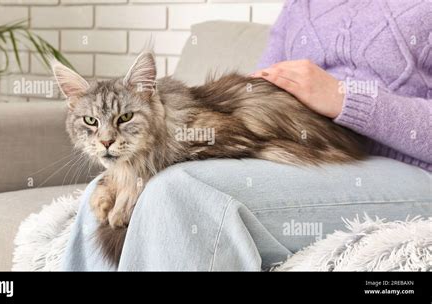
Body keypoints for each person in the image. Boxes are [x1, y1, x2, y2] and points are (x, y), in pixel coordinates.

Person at [63, 0, 431, 271]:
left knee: (180, 193)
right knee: (103, 198)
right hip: (302, 147)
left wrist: (343, 99)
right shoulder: (302, 5)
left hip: (407, 167)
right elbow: (258, 88)